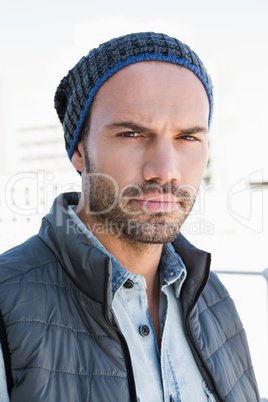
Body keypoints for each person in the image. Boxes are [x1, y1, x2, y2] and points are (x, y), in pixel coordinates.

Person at [0, 32, 260, 402]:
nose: (165, 170)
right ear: (78, 150)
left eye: (187, 138)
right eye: (133, 134)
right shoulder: (7, 303)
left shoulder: (214, 296)